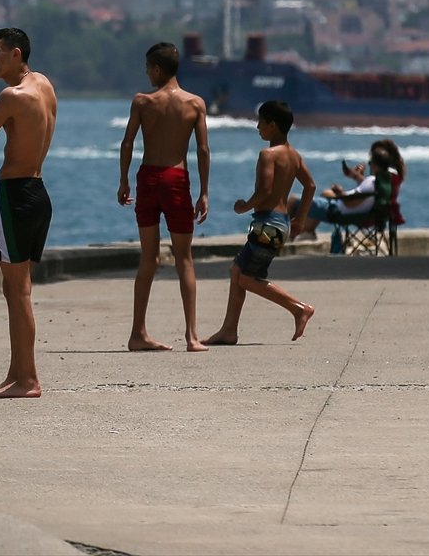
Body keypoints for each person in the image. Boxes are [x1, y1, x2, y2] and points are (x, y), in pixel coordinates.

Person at [0, 28, 57, 399]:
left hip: (15, 196)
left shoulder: (11, 96)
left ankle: (28, 379)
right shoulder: (44, 85)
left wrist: (2, 117)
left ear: (16, 54)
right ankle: (17, 372)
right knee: (16, 289)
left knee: (18, 292)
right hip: (38, 193)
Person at [117, 42, 210, 353]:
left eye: (148, 68)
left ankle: (137, 333)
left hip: (148, 179)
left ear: (157, 69)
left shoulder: (143, 102)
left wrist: (123, 180)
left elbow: (127, 143)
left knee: (149, 258)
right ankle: (192, 336)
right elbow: (202, 150)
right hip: (176, 180)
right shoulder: (195, 103)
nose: (146, 73)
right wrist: (204, 191)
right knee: (184, 258)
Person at [205, 101, 316, 345]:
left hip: (268, 224)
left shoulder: (268, 155)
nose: (257, 127)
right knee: (237, 271)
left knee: (247, 278)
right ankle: (229, 330)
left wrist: (244, 206)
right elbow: (310, 186)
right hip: (280, 223)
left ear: (272, 125)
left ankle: (299, 309)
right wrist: (299, 219)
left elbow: (265, 190)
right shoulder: (293, 155)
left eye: (260, 122)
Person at [290, 146, 393, 239]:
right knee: (325, 193)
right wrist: (355, 176)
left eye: (370, 163)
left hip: (339, 213)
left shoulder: (371, 181)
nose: (369, 165)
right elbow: (364, 193)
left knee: (293, 200)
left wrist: (339, 192)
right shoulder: (382, 182)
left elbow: (350, 203)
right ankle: (308, 232)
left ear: (375, 165)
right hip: (358, 213)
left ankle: (283, 234)